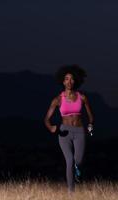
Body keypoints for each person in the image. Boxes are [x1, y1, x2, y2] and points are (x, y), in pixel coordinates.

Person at [44, 64, 94, 193]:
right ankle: (71, 192)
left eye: (71, 79)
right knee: (70, 160)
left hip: (79, 132)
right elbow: (46, 119)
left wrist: (90, 126)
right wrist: (50, 127)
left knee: (78, 160)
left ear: (76, 80)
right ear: (62, 81)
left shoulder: (82, 98)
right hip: (64, 132)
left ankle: (77, 171)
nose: (69, 81)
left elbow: (90, 116)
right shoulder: (57, 99)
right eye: (66, 79)